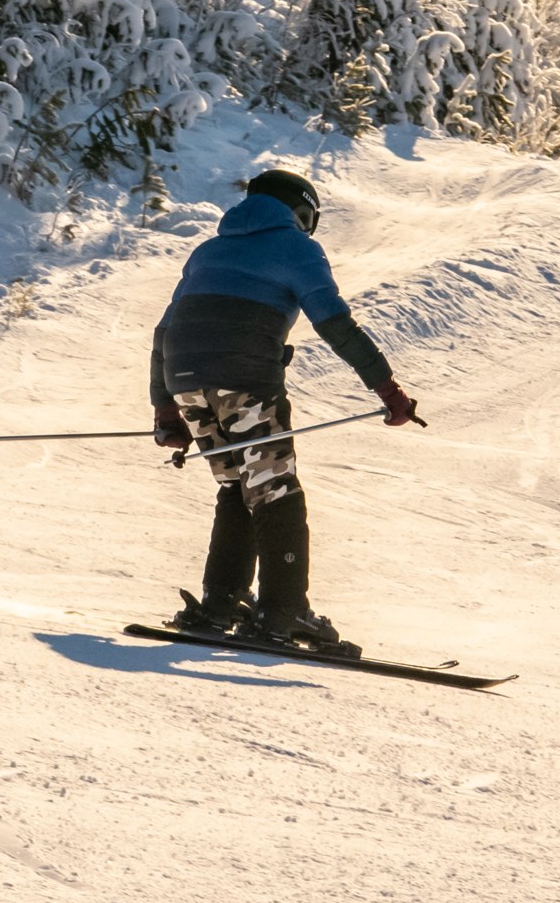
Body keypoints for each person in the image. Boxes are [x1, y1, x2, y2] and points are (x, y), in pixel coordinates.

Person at [150, 167, 420, 653]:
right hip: (244, 378)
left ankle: (221, 604)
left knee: (238, 485)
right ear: (300, 212)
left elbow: (162, 332)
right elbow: (335, 324)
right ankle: (284, 610)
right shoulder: (298, 248)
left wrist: (166, 412)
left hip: (183, 378)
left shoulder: (207, 251)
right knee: (276, 491)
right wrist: (388, 390)